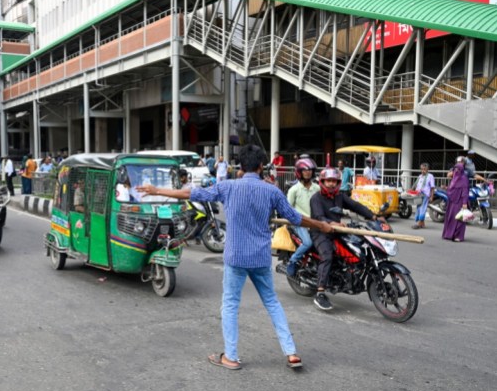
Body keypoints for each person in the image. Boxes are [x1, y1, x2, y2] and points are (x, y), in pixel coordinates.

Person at [136, 144, 332, 371]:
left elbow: (192, 193)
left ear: (241, 167)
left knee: (230, 305)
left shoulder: (228, 187)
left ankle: (231, 356)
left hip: (236, 257)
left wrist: (157, 191)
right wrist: (321, 225)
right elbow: (295, 218)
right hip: (260, 257)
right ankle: (291, 352)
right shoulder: (272, 191)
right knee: (272, 302)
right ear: (261, 166)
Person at [310, 168, 381, 311]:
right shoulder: (316, 198)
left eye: (333, 181)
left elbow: (355, 206)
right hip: (320, 232)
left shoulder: (340, 197)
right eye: (328, 181)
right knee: (327, 256)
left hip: (338, 231)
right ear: (322, 182)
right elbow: (318, 217)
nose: (331, 184)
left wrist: (373, 216)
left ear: (338, 183)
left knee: (356, 248)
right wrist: (331, 223)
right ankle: (320, 292)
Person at [286, 157, 319, 277]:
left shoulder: (317, 188)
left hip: (315, 223)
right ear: (299, 172)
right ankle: (293, 260)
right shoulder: (294, 190)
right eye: (304, 170)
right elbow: (287, 209)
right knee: (308, 243)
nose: (308, 172)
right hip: (300, 223)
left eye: (310, 169)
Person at [442, 156, 469, 242]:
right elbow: (452, 188)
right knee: (450, 217)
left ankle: (458, 236)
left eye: (458, 169)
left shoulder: (464, 178)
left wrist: (465, 203)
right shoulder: (454, 178)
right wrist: (446, 188)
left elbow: (465, 192)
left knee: (459, 219)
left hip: (460, 202)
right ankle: (448, 234)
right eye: (455, 169)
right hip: (452, 201)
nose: (456, 170)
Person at [412, 163, 435, 230]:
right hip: (418, 195)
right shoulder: (420, 176)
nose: (423, 171)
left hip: (425, 195)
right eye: (421, 169)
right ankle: (422, 223)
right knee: (418, 208)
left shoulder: (430, 176)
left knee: (423, 208)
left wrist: (431, 196)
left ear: (427, 169)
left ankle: (419, 223)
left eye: (424, 169)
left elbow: (432, 187)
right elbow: (416, 185)